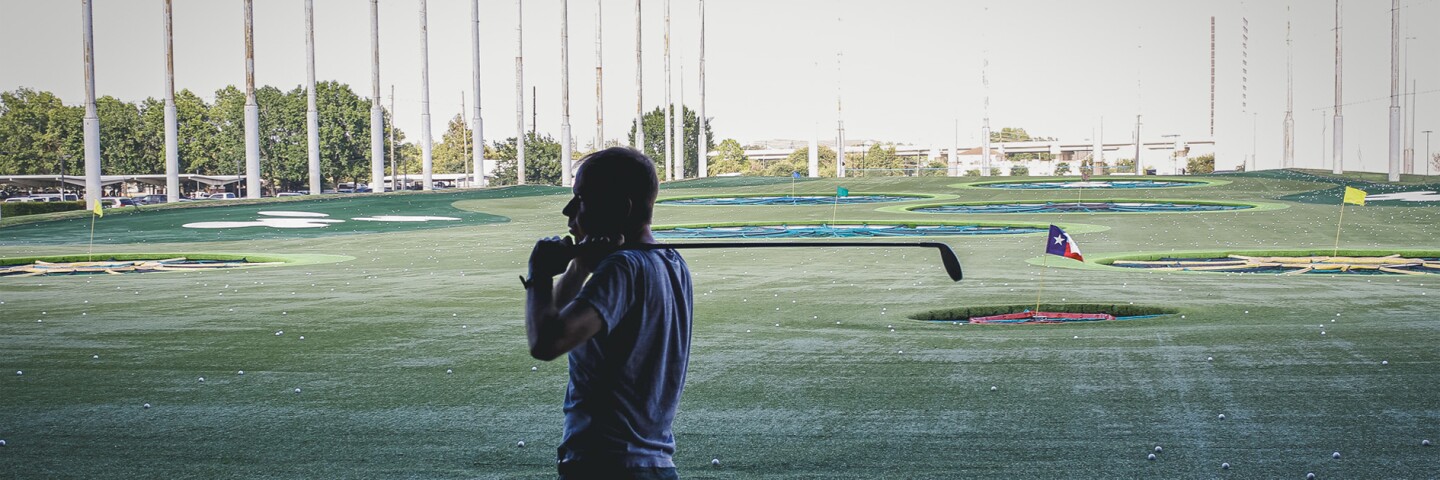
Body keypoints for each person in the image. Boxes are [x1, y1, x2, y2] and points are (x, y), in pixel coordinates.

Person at [524, 147, 694, 480]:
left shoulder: (623, 268)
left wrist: (539, 275)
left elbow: (546, 342)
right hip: (653, 465)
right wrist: (580, 268)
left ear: (621, 208)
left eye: (581, 199)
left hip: (607, 464)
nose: (568, 211)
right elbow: (559, 319)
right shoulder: (672, 261)